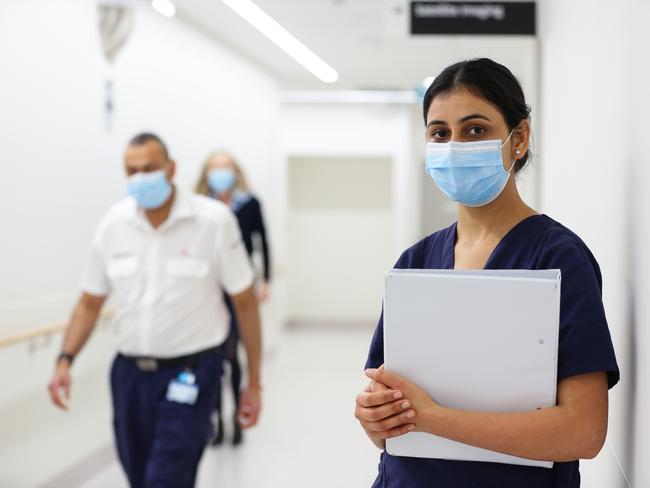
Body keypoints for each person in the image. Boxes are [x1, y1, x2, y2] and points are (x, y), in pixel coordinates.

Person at [354, 59, 619, 488]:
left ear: (520, 139)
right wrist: (374, 417)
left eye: (475, 129)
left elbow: (584, 431)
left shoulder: (557, 259)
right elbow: (387, 421)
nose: (455, 144)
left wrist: (431, 417)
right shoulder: (414, 263)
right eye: (440, 133)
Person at [48, 133, 263, 488]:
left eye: (148, 168)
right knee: (139, 475)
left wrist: (253, 383)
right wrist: (64, 360)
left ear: (170, 168)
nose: (140, 178)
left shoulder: (213, 222)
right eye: (130, 170)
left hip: (192, 372)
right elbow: (89, 303)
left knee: (167, 479)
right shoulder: (114, 224)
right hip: (129, 376)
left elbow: (244, 302)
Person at [195, 151, 271, 446]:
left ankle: (236, 418)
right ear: (206, 173)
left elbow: (262, 241)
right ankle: (215, 423)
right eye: (215, 168)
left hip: (239, 288)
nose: (220, 173)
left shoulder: (248, 203)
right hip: (210, 289)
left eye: (225, 168)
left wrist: (266, 280)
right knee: (212, 355)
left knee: (233, 354)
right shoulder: (200, 207)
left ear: (235, 171)